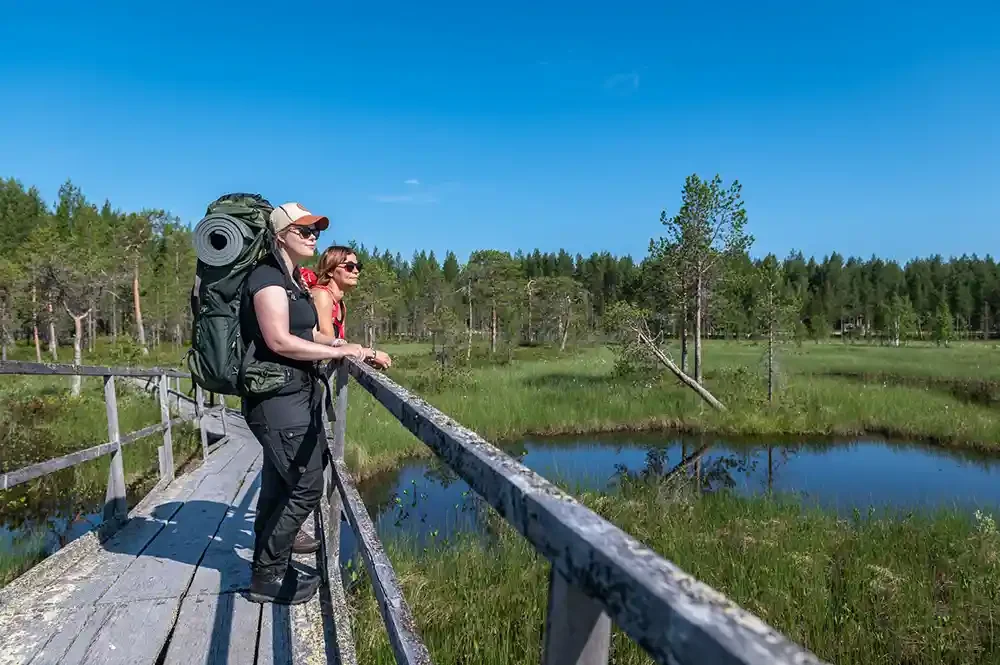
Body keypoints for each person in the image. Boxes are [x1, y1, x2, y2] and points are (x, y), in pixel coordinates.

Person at [241, 201, 375, 605]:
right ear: (280, 234)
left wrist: (342, 345)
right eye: (304, 229)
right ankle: (267, 576)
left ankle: (266, 568)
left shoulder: (291, 281)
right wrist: (335, 355)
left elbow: (307, 333)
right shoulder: (266, 277)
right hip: (276, 399)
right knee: (305, 486)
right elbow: (279, 340)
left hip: (294, 396)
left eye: (316, 229)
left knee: (278, 487)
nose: (313, 235)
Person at [311, 245, 392, 369]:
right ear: (330, 270)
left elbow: (342, 346)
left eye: (358, 266)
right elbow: (330, 343)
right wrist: (371, 353)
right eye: (349, 267)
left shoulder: (340, 304)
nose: (356, 271)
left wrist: (365, 358)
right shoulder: (322, 295)